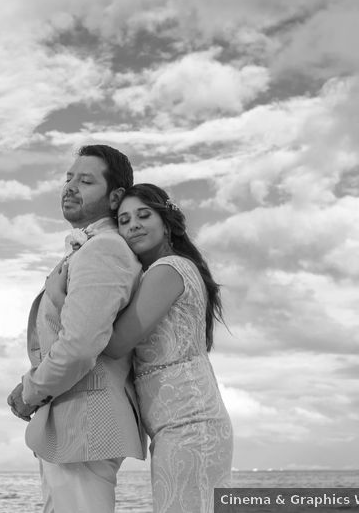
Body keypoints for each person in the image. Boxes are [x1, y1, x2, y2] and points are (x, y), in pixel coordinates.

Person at [7, 144, 146, 513]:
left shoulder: (104, 249)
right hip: (75, 423)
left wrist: (32, 390)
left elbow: (81, 345)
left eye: (85, 180)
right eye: (68, 178)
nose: (70, 187)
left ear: (116, 197)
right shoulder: (92, 247)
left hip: (85, 421)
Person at [103, 183, 233, 513]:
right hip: (178, 424)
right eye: (123, 219)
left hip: (190, 425)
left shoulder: (168, 270)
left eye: (143, 215)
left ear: (166, 221)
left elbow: (117, 343)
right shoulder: (154, 275)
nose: (132, 225)